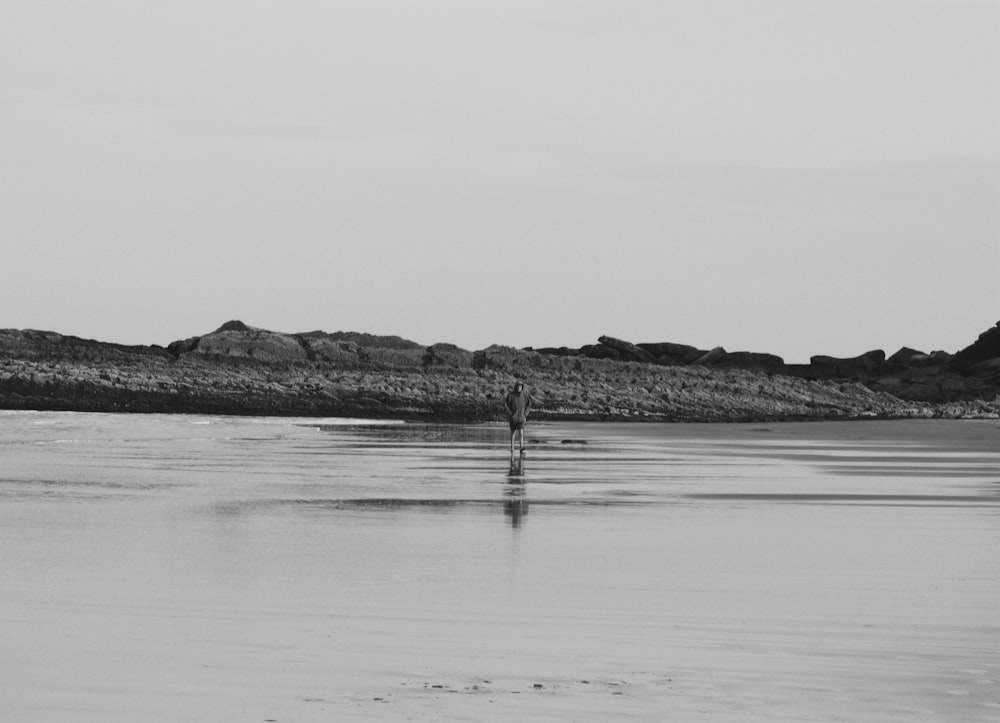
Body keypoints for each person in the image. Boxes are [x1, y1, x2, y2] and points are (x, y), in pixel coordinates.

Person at [504, 380, 532, 457]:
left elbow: (529, 405)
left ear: (522, 387)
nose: (519, 388)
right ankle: (512, 448)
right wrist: (510, 414)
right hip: (513, 418)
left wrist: (526, 414)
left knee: (521, 433)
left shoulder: (525, 395)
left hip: (522, 418)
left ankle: (521, 447)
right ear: (515, 387)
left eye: (520, 386)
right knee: (513, 433)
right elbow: (506, 405)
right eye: (518, 386)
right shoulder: (510, 395)